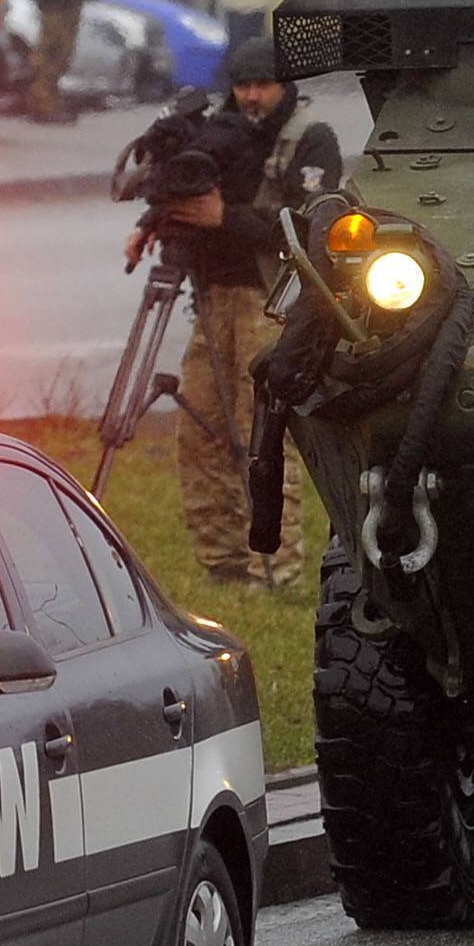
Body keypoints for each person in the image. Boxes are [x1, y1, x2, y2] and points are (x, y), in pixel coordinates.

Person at [124, 37, 341, 588]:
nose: (251, 97)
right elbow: (184, 182)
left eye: (262, 85)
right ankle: (222, 561)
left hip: (268, 302)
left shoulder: (310, 139)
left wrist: (226, 218)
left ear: (284, 85)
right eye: (242, 85)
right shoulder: (219, 133)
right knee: (202, 433)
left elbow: (311, 228)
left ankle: (276, 568)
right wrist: (157, 219)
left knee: (263, 435)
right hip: (213, 296)